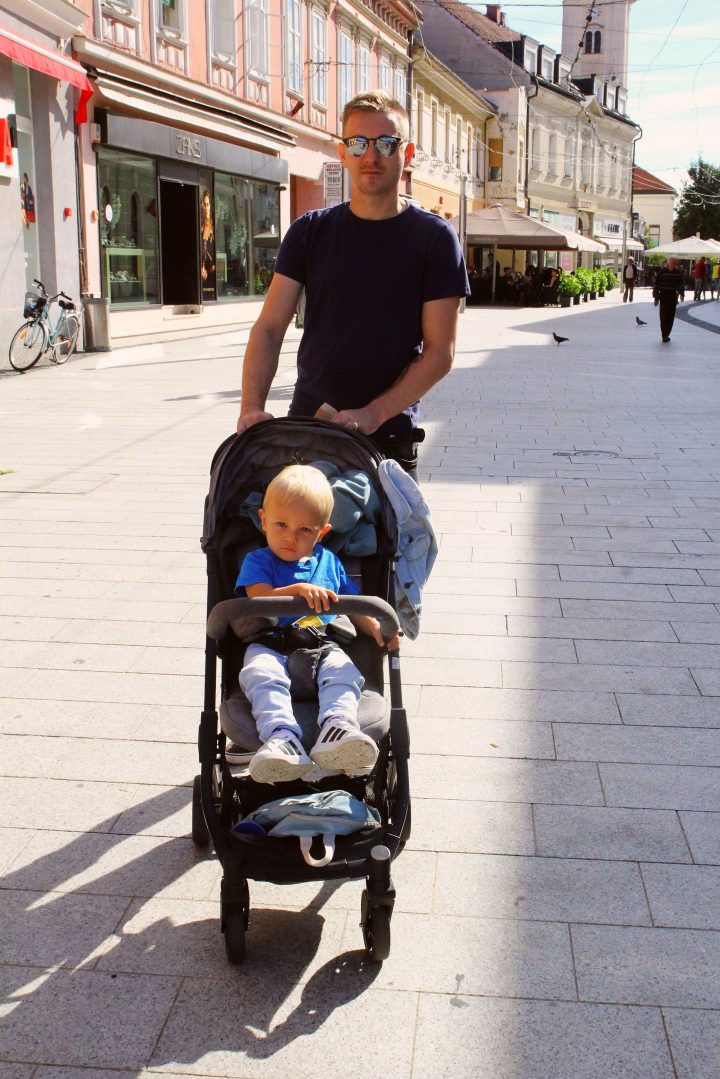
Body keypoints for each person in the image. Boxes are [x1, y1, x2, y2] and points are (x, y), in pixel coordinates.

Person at [235, 89, 469, 480]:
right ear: (343, 154)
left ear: (408, 154)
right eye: (358, 143)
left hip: (388, 437)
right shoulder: (309, 232)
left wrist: (373, 414)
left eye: (386, 144)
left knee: (388, 525)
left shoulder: (434, 238)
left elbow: (440, 352)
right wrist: (251, 407)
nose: (371, 156)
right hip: (311, 427)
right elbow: (270, 328)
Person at [232, 464, 399, 784]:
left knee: (345, 673)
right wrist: (296, 591)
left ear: (321, 533)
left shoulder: (329, 563)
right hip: (271, 644)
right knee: (260, 674)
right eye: (281, 524)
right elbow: (258, 596)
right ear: (264, 520)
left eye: (304, 530)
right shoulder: (258, 560)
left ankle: (338, 728)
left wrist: (378, 629)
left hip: (322, 644)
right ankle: (281, 736)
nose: (290, 537)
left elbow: (353, 605)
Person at [653, 256, 685, 343]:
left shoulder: (678, 272)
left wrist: (682, 294)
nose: (672, 264)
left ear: (675, 264)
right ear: (667, 263)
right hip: (663, 294)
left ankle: (667, 334)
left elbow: (680, 284)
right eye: (671, 262)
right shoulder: (662, 272)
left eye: (674, 263)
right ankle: (664, 334)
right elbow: (657, 285)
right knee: (663, 316)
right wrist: (656, 297)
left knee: (670, 316)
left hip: (672, 295)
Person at [200, 189, 216, 298]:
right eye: (204, 205)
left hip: (211, 269)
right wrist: (201, 267)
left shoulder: (211, 224)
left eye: (207, 204)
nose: (206, 207)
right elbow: (202, 248)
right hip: (204, 268)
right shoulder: (201, 225)